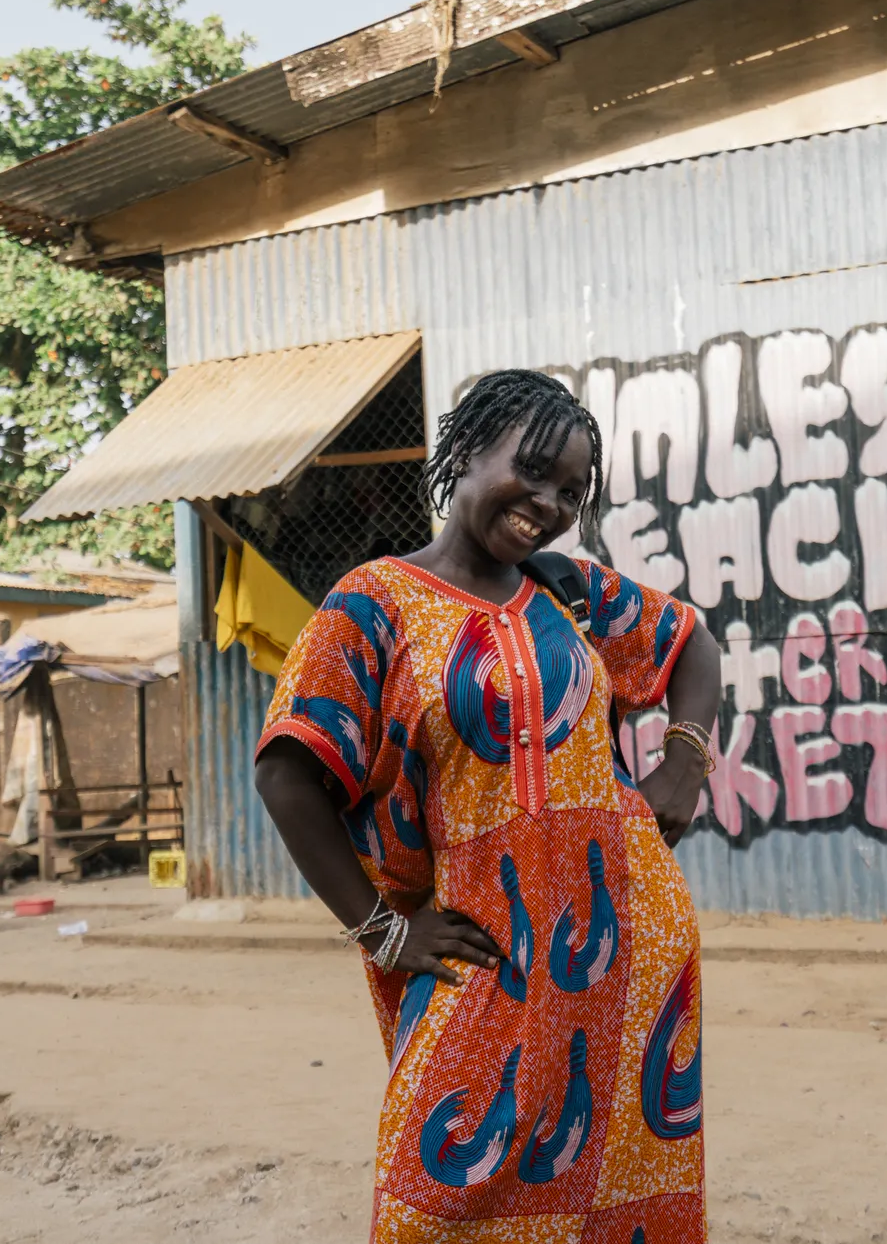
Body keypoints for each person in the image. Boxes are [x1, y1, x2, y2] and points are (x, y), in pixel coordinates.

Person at [254, 369, 723, 1242]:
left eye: (572, 492)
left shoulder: (570, 591)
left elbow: (693, 642)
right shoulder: (374, 605)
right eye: (536, 470)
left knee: (623, 1201)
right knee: (431, 1208)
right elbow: (287, 771)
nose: (548, 503)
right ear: (467, 450)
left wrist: (684, 764)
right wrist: (383, 930)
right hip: (483, 957)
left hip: (632, 955)